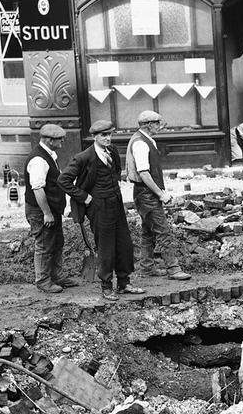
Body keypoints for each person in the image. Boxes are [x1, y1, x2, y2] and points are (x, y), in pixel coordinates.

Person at [59, 120, 144, 301]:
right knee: (106, 246)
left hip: (116, 203)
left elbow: (116, 171)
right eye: (103, 135)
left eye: (110, 134)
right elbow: (63, 180)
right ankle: (106, 286)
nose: (108, 138)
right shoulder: (84, 157)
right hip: (98, 207)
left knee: (124, 242)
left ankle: (124, 282)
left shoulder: (112, 151)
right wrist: (85, 197)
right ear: (94, 137)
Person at [124, 110, 191, 281]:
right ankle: (174, 269)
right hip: (146, 194)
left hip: (144, 193)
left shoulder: (145, 140)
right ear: (148, 125)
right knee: (163, 231)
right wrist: (161, 194)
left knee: (148, 231)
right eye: (158, 124)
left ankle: (146, 267)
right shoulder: (141, 143)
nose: (160, 127)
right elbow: (144, 173)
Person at [24, 123, 78, 293]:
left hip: (52, 210)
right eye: (59, 139)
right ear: (48, 140)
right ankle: (43, 280)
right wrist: (47, 213)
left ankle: (56, 275)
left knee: (57, 242)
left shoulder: (50, 155)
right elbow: (37, 188)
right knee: (44, 245)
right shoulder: (39, 159)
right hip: (41, 211)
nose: (62, 141)